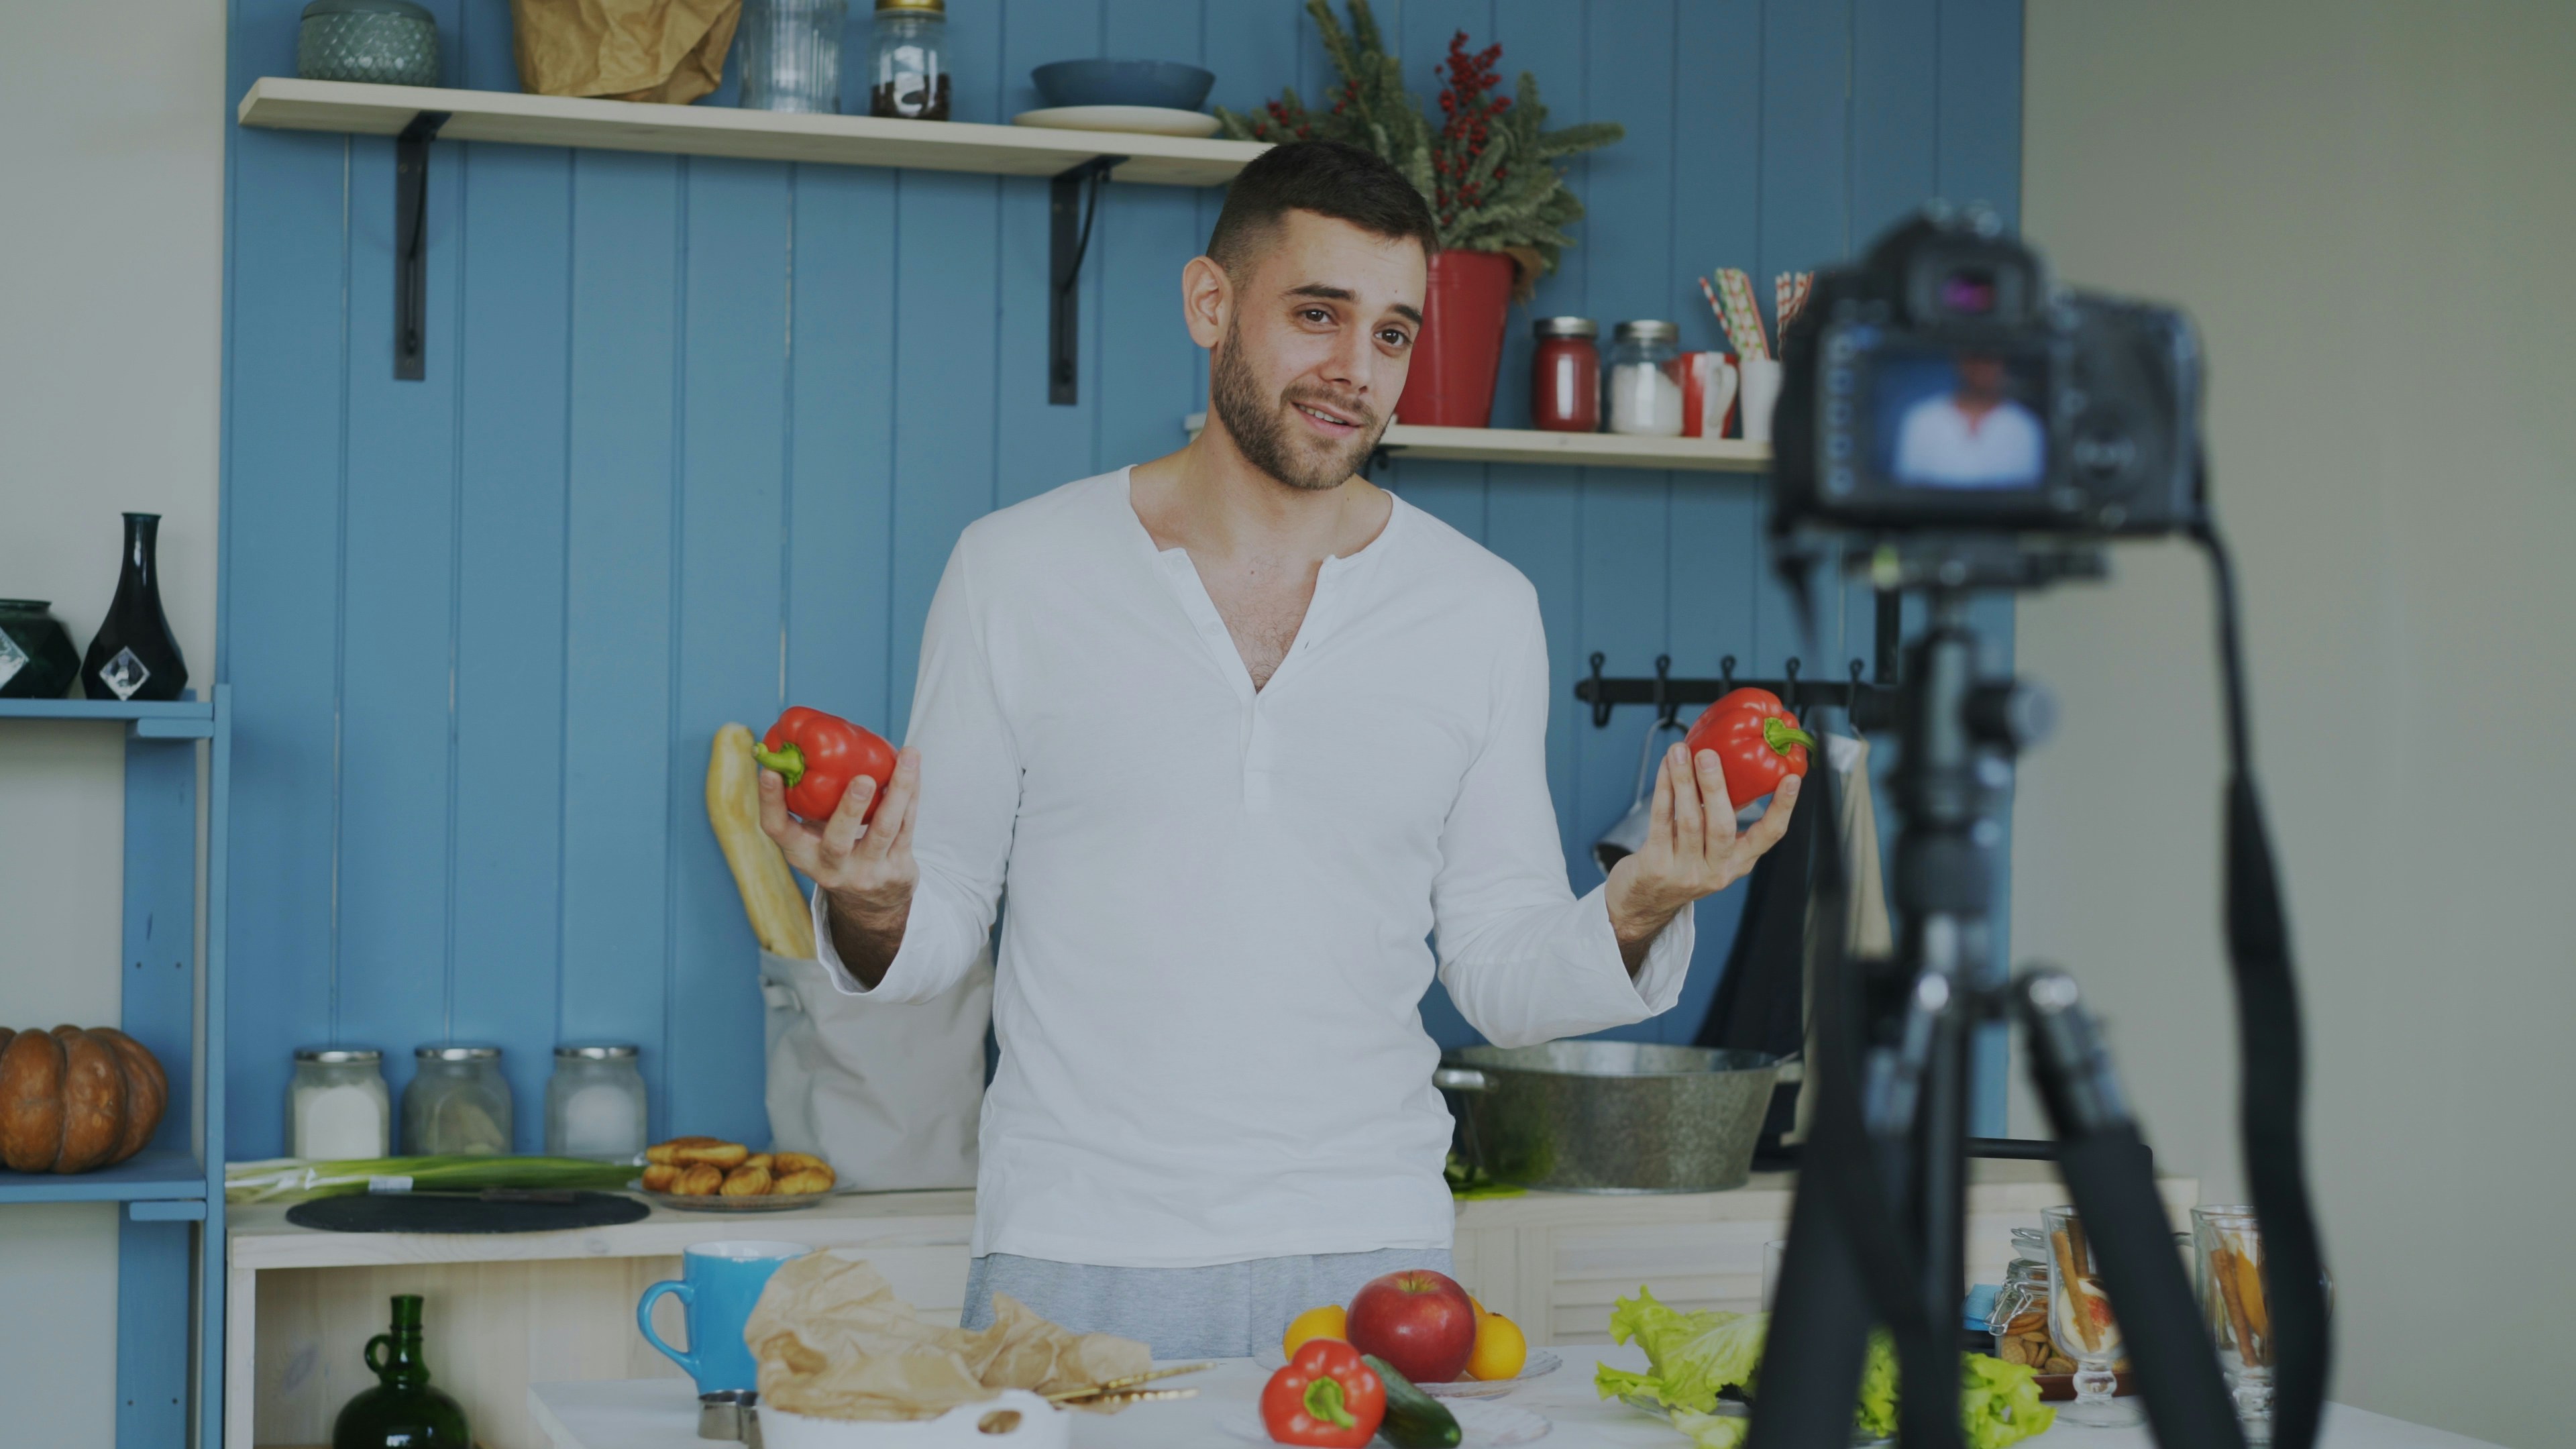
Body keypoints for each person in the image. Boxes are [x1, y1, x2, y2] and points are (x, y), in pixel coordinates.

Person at [756, 140, 1800, 1358]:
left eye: (1394, 335)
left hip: (1372, 1260)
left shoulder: (1481, 609)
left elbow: (1501, 972)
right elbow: (934, 932)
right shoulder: (1015, 572)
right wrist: (873, 900)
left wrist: (1641, 901)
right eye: (1318, 315)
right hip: (1080, 1252)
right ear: (1212, 304)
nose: (1355, 372)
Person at [1890, 352, 2044, 487]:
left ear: (2002, 364)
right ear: (1960, 363)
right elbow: (1907, 487)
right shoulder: (1922, 419)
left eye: (1989, 360)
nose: (1981, 368)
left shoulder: (2024, 426)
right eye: (1974, 359)